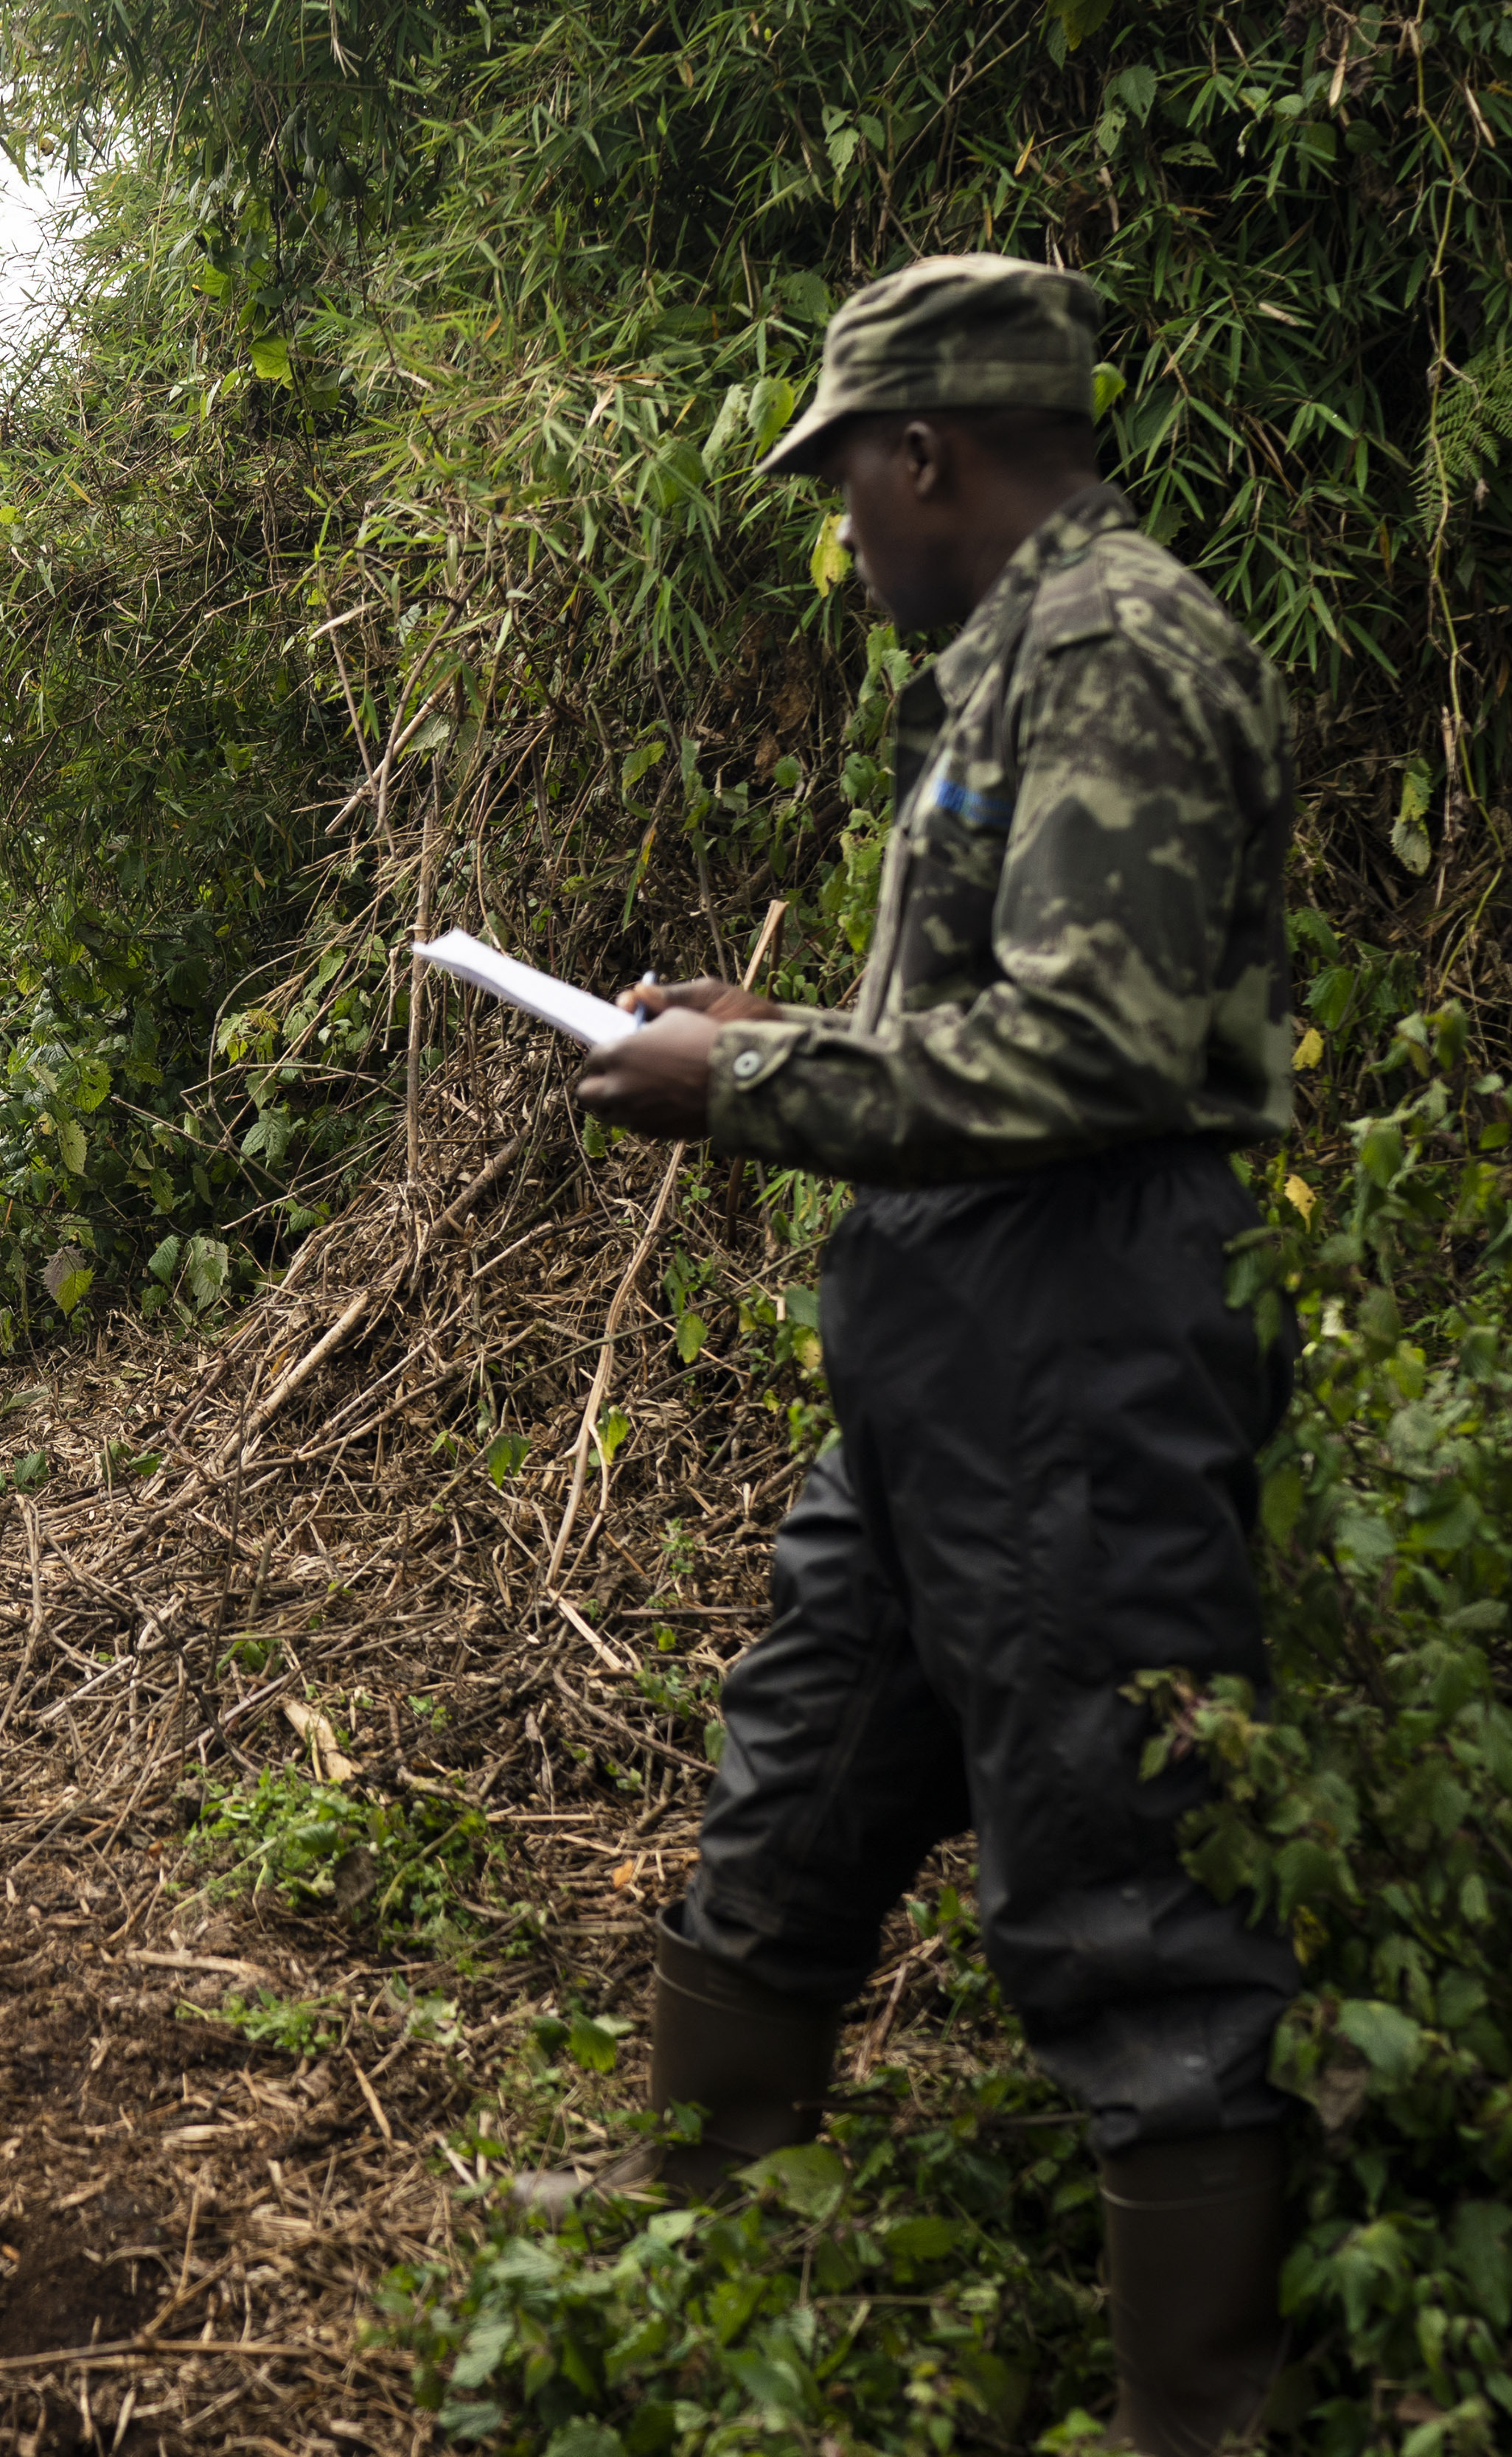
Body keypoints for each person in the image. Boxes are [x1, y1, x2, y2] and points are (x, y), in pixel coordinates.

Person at [569, 256, 1302, 2457]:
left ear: (927, 452)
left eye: (849, 483)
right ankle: (703, 2231)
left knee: (1118, 1854)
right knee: (803, 1767)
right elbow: (990, 1012)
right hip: (941, 1347)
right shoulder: (1010, 661)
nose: (847, 532)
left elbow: (1097, 1051)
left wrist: (757, 1091)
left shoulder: (1112, 649)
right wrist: (760, 1032)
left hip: (1079, 1340)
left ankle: (1199, 2410)